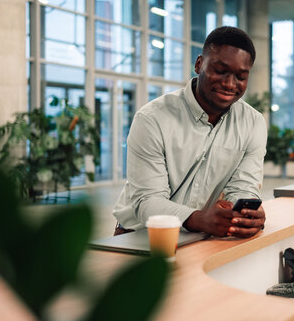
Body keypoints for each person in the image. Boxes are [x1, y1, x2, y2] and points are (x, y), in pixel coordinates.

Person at [113, 26, 267, 238]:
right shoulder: (152, 119)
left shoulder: (253, 123)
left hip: (199, 236)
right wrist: (198, 218)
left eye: (240, 76)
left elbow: (244, 187)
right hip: (140, 236)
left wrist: (248, 214)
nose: (229, 84)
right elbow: (147, 201)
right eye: (220, 71)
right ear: (199, 64)